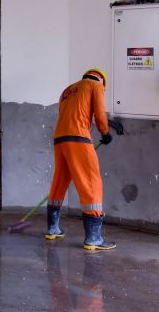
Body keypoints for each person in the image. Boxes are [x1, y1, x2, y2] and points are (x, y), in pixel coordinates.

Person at [45, 68, 115, 250]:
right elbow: (99, 115)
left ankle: (52, 228)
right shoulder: (95, 86)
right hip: (79, 139)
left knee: (60, 181)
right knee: (91, 182)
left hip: (60, 139)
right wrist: (105, 133)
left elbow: (75, 113)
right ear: (102, 81)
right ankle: (93, 238)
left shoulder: (68, 90)